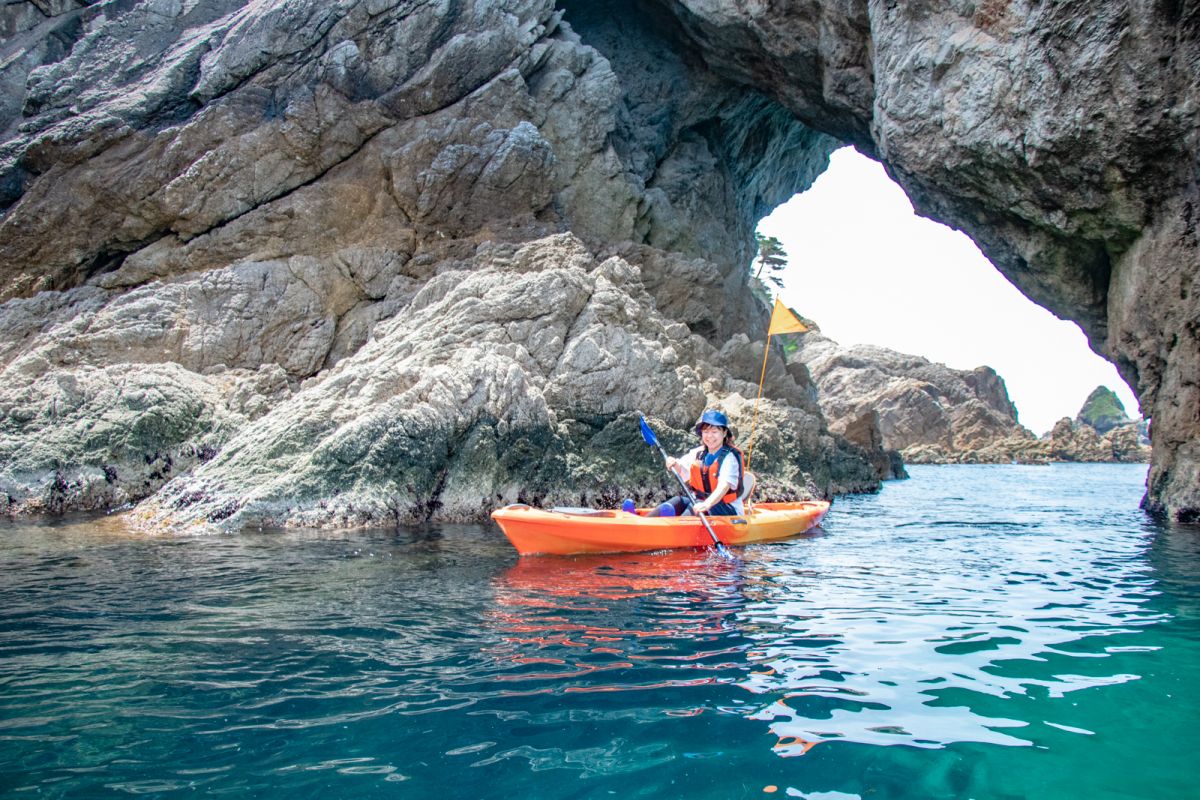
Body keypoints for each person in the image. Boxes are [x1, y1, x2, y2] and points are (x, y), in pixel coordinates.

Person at [648, 409, 745, 517]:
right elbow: (681, 467)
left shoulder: (730, 459)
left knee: (696, 505)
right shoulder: (699, 453)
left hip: (728, 510)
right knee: (678, 501)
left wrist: (707, 504)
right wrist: (674, 463)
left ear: (724, 433)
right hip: (701, 502)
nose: (710, 436)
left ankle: (676, 527)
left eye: (714, 432)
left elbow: (723, 487)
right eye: (706, 432)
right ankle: (647, 522)